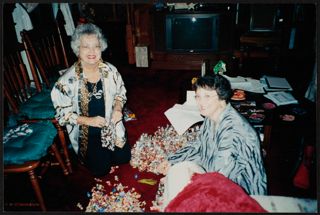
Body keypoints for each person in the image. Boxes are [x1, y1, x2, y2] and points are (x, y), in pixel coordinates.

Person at [157, 74, 267, 210]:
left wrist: (189, 179)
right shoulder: (213, 116)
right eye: (198, 96)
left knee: (179, 183)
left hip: (241, 190)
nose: (200, 102)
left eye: (207, 96)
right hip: (218, 175)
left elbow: (220, 178)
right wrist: (173, 160)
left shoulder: (233, 130)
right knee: (177, 171)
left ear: (222, 98)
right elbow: (198, 145)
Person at [51, 23, 131, 176]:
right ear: (77, 49)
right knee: (101, 170)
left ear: (102, 48)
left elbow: (121, 92)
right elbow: (62, 115)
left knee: (124, 158)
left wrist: (118, 108)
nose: (92, 51)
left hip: (111, 126)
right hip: (87, 132)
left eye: (96, 46)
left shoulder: (111, 70)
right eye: (86, 47)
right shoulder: (66, 82)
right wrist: (89, 121)